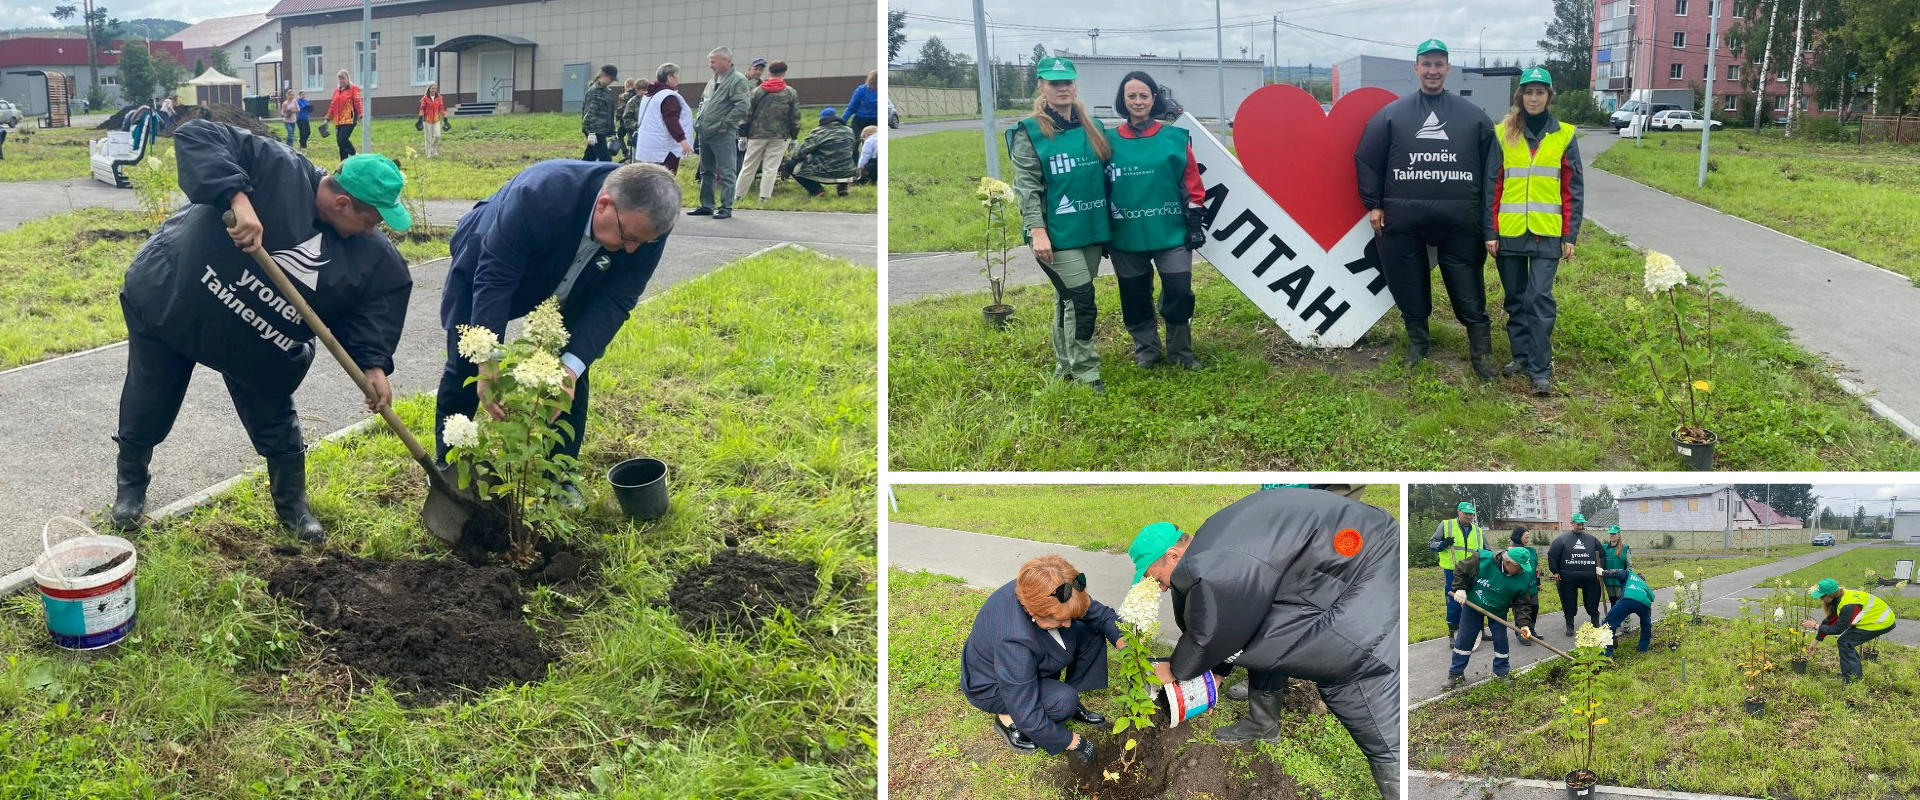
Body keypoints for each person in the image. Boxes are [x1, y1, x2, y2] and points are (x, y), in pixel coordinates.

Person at [110, 119, 414, 543]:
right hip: (173, 301)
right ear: (344, 204)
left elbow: (378, 302)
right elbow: (198, 134)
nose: (374, 231)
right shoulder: (277, 168)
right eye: (372, 221)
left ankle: (293, 507)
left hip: (255, 342)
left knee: (275, 418)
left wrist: (374, 363)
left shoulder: (371, 257)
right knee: (149, 400)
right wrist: (236, 195)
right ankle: (131, 490)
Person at [435, 161, 681, 505]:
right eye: (628, 238)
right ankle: (446, 464)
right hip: (488, 255)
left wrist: (571, 367)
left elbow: (616, 300)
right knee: (467, 358)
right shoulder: (538, 195)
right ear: (605, 204)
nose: (632, 250)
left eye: (643, 241)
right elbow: (495, 277)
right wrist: (488, 363)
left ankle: (560, 479)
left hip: (583, 272)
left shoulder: (645, 224)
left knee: (569, 373)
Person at [1128, 490, 1402, 799]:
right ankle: (1263, 724)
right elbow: (1240, 616)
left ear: (1173, 556)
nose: (1161, 588)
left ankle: (1396, 776)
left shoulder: (1212, 567)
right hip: (1342, 556)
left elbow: (1211, 630)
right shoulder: (1210, 547)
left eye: (1156, 577)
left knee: (1350, 674)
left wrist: (1174, 671)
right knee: (1263, 632)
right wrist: (1216, 671)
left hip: (1367, 562)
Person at [1355, 39, 1499, 377]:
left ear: (1448, 69)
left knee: (1467, 283)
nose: (1432, 70)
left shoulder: (1474, 118)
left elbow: (1493, 170)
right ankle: (1418, 342)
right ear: (1416, 68)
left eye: (1439, 64)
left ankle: (1481, 351)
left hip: (1460, 219)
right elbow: (1367, 159)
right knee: (1406, 278)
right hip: (1404, 218)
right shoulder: (1392, 115)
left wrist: (1487, 217)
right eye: (1426, 63)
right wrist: (1373, 204)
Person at [1007, 57, 1112, 393]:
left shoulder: (1092, 125)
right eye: (1054, 83)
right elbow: (1027, 186)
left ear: (1075, 85)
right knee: (1082, 300)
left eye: (1067, 81)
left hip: (1091, 229)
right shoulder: (1030, 131)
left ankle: (1064, 366)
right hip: (1054, 234)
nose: (1062, 87)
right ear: (1041, 87)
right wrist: (1037, 230)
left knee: (1066, 299)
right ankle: (1086, 371)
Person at [959, 554, 1115, 764]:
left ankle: (1064, 696)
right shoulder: (1014, 640)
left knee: (1091, 631)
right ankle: (1006, 721)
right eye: (1060, 620)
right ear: (1033, 611)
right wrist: (1073, 741)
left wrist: (1128, 647)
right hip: (993, 685)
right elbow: (1026, 711)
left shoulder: (1050, 589)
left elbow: (1102, 616)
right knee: (1063, 701)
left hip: (1020, 665)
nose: (1069, 624)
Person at [1485, 67, 1584, 396]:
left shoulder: (1565, 135)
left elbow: (1572, 189)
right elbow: (1492, 186)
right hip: (1510, 231)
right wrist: (1491, 230)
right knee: (1515, 300)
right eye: (1528, 92)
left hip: (1547, 233)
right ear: (1520, 96)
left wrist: (1569, 235)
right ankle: (1521, 357)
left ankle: (1540, 370)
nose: (1534, 97)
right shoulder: (1503, 133)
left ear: (1549, 95)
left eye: (1540, 92)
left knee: (1539, 298)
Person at [1106, 71, 1206, 372]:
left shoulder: (1175, 138)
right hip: (1125, 234)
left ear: (1154, 99)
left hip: (1171, 232)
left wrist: (1194, 223)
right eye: (1131, 96)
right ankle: (1147, 350)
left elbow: (1192, 183)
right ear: (1123, 101)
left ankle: (1181, 352)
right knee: (1134, 295)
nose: (1138, 101)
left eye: (1144, 95)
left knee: (1179, 291)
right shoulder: (1106, 141)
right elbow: (1098, 186)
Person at [1445, 546, 1540, 690]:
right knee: (1464, 639)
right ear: (1507, 563)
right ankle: (1456, 674)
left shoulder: (1523, 577)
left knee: (1501, 640)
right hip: (1473, 605)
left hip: (1498, 610)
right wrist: (1460, 588)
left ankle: (1502, 673)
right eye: (1519, 567)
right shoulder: (1481, 560)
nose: (1521, 571)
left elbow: (1522, 604)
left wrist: (1524, 625)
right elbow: (1460, 570)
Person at [691, 47, 750, 219]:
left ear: (726, 61)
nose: (710, 65)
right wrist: (699, 122)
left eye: (713, 62)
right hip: (705, 131)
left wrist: (726, 125)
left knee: (727, 170)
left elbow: (742, 106)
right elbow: (704, 101)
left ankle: (726, 207)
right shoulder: (714, 78)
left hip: (722, 133)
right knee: (705, 170)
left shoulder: (737, 80)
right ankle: (706, 205)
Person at [1800, 578, 1897, 683]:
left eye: (1822, 596)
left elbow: (1838, 629)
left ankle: (1851, 679)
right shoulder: (1839, 598)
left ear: (1830, 595)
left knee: (1845, 642)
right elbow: (1830, 620)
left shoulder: (1847, 606)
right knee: (1845, 641)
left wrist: (1816, 626)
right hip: (1873, 618)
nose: (1821, 599)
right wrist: (1816, 641)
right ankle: (1853, 674)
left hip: (1881, 621)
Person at [1428, 501, 1489, 642]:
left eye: (1471, 514)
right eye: (1466, 513)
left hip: (1474, 572)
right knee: (1454, 602)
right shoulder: (1446, 525)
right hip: (1453, 572)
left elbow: (1487, 551)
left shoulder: (1478, 531)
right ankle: (1454, 635)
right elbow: (1431, 544)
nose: (1469, 517)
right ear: (1458, 512)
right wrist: (1443, 544)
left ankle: (1480, 631)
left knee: (1477, 600)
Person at [740, 60, 800, 204]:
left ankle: (738, 195)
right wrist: (794, 137)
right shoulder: (790, 93)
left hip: (756, 134)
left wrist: (742, 135)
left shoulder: (757, 91)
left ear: (769, 73)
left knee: (748, 166)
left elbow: (746, 114)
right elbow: (795, 117)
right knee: (770, 168)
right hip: (779, 136)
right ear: (784, 73)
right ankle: (764, 198)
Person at [1547, 513, 1605, 637]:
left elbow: (1602, 555)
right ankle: (1570, 625)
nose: (1580, 527)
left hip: (1590, 577)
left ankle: (1595, 624)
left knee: (1593, 600)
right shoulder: (1562, 540)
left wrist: (1600, 570)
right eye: (1578, 524)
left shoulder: (1592, 540)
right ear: (1572, 523)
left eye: (1582, 524)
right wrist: (1555, 571)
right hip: (1568, 578)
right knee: (1568, 601)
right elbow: (1552, 555)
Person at [634, 63, 694, 174]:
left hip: (649, 145)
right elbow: (671, 120)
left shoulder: (650, 94)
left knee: (650, 179)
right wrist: (682, 140)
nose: (678, 78)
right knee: (665, 181)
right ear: (669, 77)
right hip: (664, 148)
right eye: (677, 75)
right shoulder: (668, 97)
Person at [789, 107, 856, 198]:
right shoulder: (849, 131)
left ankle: (816, 190)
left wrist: (805, 158)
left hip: (826, 172)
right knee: (842, 156)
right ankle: (842, 188)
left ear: (821, 119)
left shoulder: (820, 132)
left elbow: (799, 154)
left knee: (790, 165)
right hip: (848, 172)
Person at [1595, 565, 1654, 657]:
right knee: (1646, 624)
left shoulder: (1629, 574)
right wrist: (1647, 616)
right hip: (1644, 604)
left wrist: (1603, 572)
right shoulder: (1645, 585)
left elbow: (1617, 573)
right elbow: (1652, 597)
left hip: (1627, 599)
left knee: (1608, 623)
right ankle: (1643, 648)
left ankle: (1607, 654)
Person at [581, 64, 618, 163]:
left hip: (602, 130)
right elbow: (589, 112)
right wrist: (590, 132)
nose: (611, 82)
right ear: (603, 75)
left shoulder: (606, 91)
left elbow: (609, 112)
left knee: (590, 157)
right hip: (595, 130)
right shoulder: (595, 91)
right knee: (606, 159)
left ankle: (581, 174)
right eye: (610, 79)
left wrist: (613, 131)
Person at [328, 70, 363, 160]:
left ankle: (354, 154)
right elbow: (332, 105)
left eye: (343, 78)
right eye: (339, 79)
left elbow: (358, 101)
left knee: (342, 139)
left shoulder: (353, 89)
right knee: (340, 144)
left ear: (347, 78)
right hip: (338, 120)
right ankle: (343, 164)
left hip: (349, 119)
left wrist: (360, 113)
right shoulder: (336, 91)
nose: (341, 81)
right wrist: (328, 118)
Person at [1601, 524, 1631, 606]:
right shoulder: (1604, 547)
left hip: (1620, 580)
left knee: (1620, 601)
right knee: (1612, 601)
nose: (1612, 535)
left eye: (1614, 533)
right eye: (1611, 533)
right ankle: (1614, 618)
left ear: (1619, 534)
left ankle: (1624, 618)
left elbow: (1629, 566)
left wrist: (1628, 576)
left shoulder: (1624, 548)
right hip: (1608, 579)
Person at [845, 69, 879, 134]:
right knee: (854, 139)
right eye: (872, 84)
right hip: (860, 120)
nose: (873, 87)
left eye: (875, 84)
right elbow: (851, 107)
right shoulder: (861, 90)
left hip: (875, 121)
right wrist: (842, 121)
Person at [418, 83, 447, 159]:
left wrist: (445, 118)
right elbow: (422, 109)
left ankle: (433, 148)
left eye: (435, 88)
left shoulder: (439, 98)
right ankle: (428, 153)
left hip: (436, 119)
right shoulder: (425, 98)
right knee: (428, 137)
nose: (434, 90)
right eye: (432, 88)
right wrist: (420, 118)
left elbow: (441, 108)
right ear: (429, 89)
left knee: (438, 136)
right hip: (427, 120)